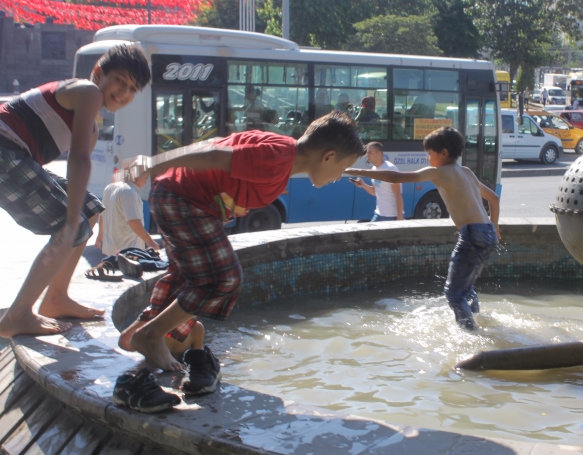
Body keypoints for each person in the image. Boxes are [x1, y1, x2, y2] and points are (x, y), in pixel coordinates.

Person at [112, 112, 364, 413]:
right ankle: (150, 335)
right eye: (343, 168)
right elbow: (213, 153)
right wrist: (152, 163)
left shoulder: (281, 153)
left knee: (189, 282)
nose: (339, 177)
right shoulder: (278, 157)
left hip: (182, 200)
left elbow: (216, 143)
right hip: (183, 200)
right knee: (224, 278)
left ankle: (135, 376)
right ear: (328, 156)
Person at [0, 44, 151, 337]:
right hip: (5, 150)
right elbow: (78, 159)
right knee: (73, 223)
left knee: (90, 210)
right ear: (98, 72)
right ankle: (16, 316)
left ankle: (56, 298)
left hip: (15, 154)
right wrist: (70, 222)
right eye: (120, 80)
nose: (124, 92)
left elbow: (81, 168)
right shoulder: (87, 91)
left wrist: (76, 217)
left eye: (132, 88)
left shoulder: (92, 125)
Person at [345, 126, 500, 331]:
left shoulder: (438, 172)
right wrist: (495, 227)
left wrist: (355, 170)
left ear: (443, 153)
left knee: (453, 294)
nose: (427, 158)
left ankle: (471, 335)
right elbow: (494, 199)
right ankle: (476, 319)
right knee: (466, 287)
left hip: (472, 234)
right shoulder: (466, 172)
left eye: (429, 153)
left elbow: (397, 178)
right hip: (487, 232)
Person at [96, 178, 160, 258]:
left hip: (111, 249)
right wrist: (150, 242)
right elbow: (133, 221)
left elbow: (102, 214)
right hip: (127, 250)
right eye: (145, 174)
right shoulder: (128, 192)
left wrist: (101, 234)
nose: (147, 178)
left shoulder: (110, 187)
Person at [350, 142, 403, 222]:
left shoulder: (390, 169)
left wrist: (399, 218)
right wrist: (363, 185)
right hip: (379, 214)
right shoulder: (374, 169)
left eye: (370, 153)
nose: (367, 155)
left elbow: (398, 195)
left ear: (379, 153)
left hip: (391, 216)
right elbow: (375, 192)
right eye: (367, 153)